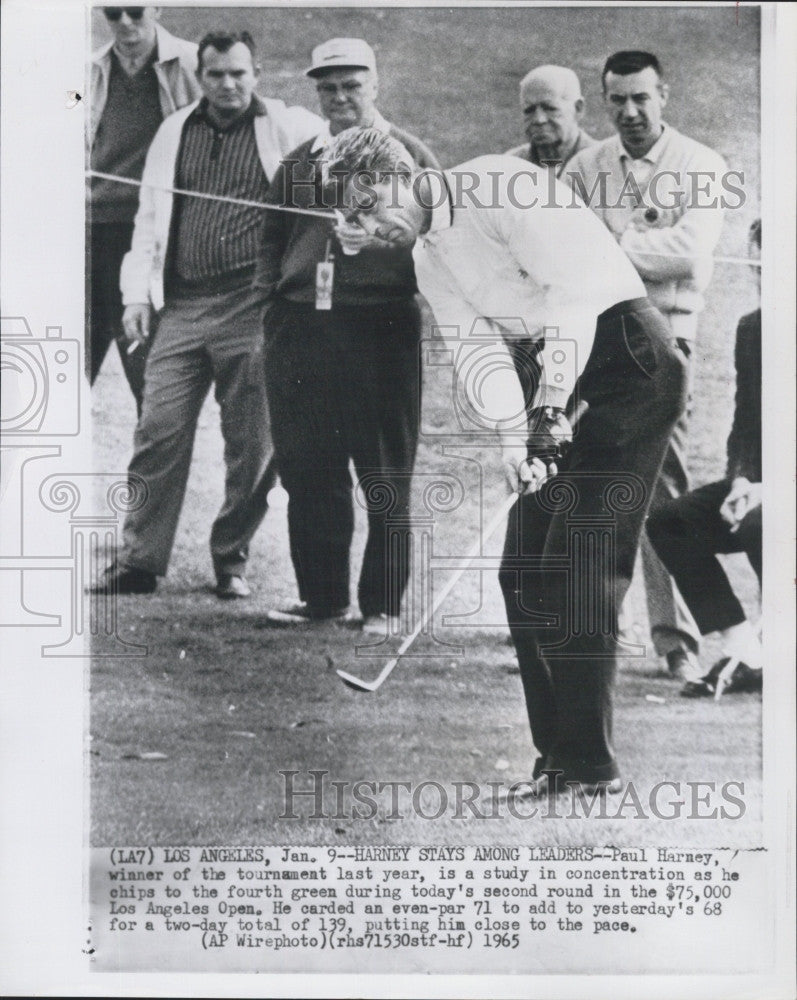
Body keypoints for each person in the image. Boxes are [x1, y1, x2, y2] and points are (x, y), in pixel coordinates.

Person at [326, 128, 686, 794]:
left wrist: (548, 408)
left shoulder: (495, 184)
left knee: (578, 564)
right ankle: (556, 759)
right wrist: (510, 440)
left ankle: (590, 766)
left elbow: (570, 296)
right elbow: (478, 353)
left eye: (366, 211)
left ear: (388, 180)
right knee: (520, 571)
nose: (368, 230)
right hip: (561, 377)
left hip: (630, 364)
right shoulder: (428, 258)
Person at [94, 30, 322, 598]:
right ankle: (141, 561)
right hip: (184, 305)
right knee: (157, 431)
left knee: (253, 443)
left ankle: (231, 558)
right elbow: (148, 219)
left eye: (239, 73)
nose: (228, 84)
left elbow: (350, 141)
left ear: (257, 72)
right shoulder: (175, 131)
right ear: (201, 76)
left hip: (253, 304)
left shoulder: (289, 126)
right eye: (216, 74)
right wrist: (136, 298)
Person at [253, 38, 439, 633]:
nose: (339, 98)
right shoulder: (301, 161)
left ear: (375, 85)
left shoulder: (409, 155)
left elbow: (441, 241)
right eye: (328, 87)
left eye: (351, 85)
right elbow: (270, 242)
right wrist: (271, 309)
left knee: (383, 470)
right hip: (301, 327)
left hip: (379, 324)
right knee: (307, 467)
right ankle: (323, 598)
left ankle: (382, 606)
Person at [567, 51, 728, 681]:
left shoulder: (700, 165)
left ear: (664, 95)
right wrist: (615, 257)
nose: (630, 112)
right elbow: (564, 251)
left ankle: (676, 640)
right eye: (618, 100)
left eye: (642, 98)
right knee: (582, 481)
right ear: (605, 101)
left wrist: (608, 249)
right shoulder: (585, 167)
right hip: (597, 337)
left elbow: (688, 253)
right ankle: (587, 626)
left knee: (661, 491)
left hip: (668, 340)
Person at [647, 219, 762, 698]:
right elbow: (746, 421)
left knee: (763, 524)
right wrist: (741, 480)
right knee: (670, 523)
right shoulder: (754, 327)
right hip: (762, 484)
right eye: (760, 259)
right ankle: (748, 656)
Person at [89, 5, 201, 413]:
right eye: (113, 13)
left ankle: (152, 477)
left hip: (154, 239)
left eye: (135, 11)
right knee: (62, 371)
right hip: (90, 233)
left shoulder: (194, 64)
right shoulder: (87, 71)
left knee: (153, 384)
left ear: (157, 7)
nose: (124, 23)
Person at [504, 64, 596, 174]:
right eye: (529, 110)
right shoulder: (509, 165)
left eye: (550, 109)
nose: (539, 120)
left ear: (578, 109)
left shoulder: (605, 163)